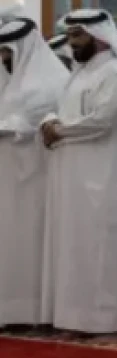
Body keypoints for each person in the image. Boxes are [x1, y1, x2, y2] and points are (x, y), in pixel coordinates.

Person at [40, 10, 117, 334]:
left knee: (102, 244)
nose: (72, 43)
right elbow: (56, 109)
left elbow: (104, 120)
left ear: (98, 36)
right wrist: (48, 123)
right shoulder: (78, 73)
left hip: (105, 172)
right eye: (70, 36)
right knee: (76, 243)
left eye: (78, 36)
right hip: (73, 172)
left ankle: (106, 320)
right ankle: (76, 318)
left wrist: (60, 130)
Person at [0, 18, 68, 327]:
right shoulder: (8, 79)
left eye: (7, 51)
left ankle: (33, 312)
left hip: (35, 172)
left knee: (31, 236)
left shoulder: (49, 80)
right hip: (9, 171)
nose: (3, 57)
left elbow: (32, 123)